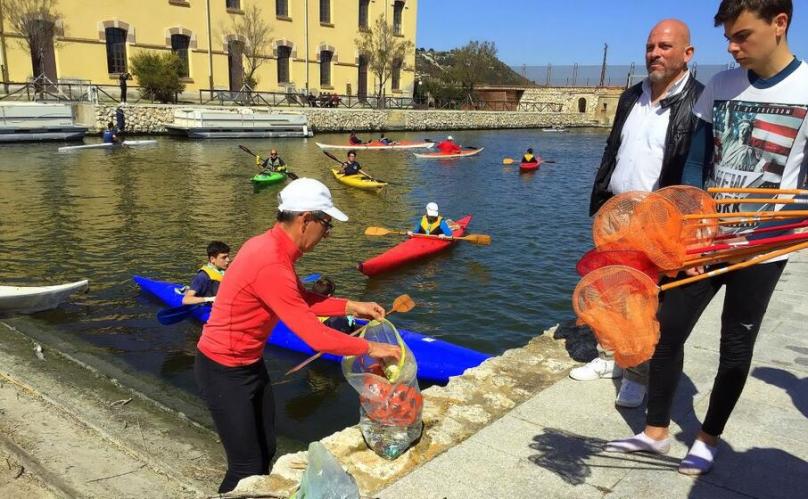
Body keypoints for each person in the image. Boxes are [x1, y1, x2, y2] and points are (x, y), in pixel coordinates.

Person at [606, 0, 808, 476]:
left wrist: (790, 222)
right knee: (667, 327)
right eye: (729, 38)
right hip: (705, 238)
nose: (732, 48)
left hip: (763, 248)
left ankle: (708, 438)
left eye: (742, 36)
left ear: (779, 24)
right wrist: (695, 226)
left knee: (735, 346)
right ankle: (655, 433)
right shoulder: (720, 85)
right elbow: (697, 164)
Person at [194, 178, 401, 493]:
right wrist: (370, 347)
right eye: (326, 225)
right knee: (246, 467)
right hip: (222, 370)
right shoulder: (271, 260)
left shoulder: (272, 245)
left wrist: (351, 305)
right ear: (306, 219)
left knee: (266, 450)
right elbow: (316, 338)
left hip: (249, 364)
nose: (327, 234)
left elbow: (300, 298)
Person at [575, 18, 704, 408]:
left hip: (657, 222)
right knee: (608, 289)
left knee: (649, 300)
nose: (655, 54)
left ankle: (637, 373)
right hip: (615, 214)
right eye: (651, 47)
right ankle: (608, 356)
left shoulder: (699, 101)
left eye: (665, 47)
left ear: (687, 54)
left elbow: (697, 167)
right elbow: (613, 150)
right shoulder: (631, 96)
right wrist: (600, 198)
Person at [182, 241, 231, 306]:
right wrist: (210, 299)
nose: (228, 260)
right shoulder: (202, 277)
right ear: (212, 259)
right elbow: (186, 300)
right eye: (224, 257)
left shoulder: (226, 272)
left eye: (228, 256)